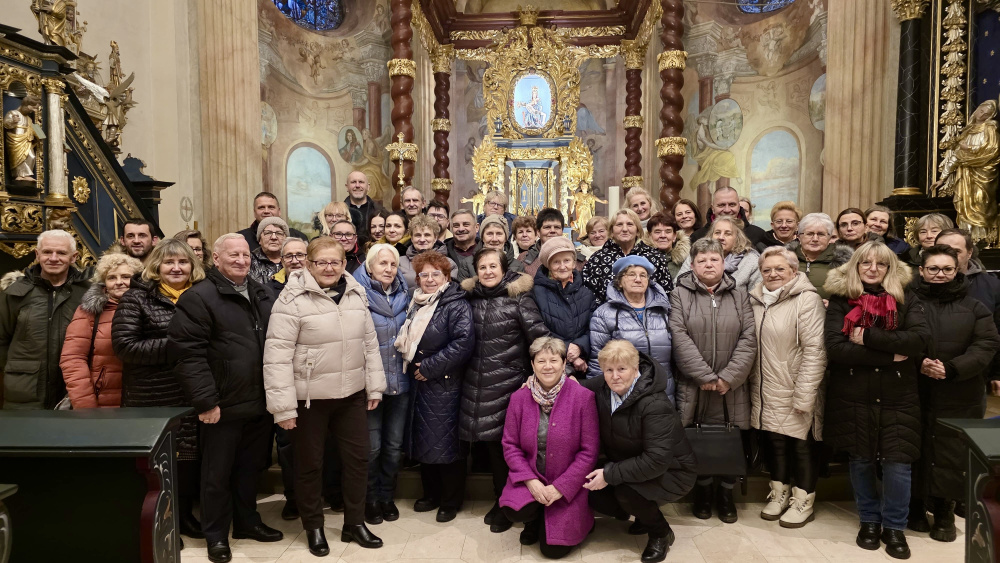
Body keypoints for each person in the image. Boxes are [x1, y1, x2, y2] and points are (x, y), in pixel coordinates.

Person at [264, 237, 387, 555]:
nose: (329, 268)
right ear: (309, 264)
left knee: (358, 460)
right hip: (310, 399)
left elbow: (369, 343)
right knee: (309, 465)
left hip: (351, 395)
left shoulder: (356, 293)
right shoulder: (291, 299)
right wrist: (283, 408)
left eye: (335, 262)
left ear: (345, 264)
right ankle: (314, 527)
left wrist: (374, 385)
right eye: (322, 262)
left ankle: (354, 523)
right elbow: (276, 356)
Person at [169, 234, 283, 563]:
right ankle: (216, 534)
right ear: (216, 259)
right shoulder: (198, 297)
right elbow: (187, 356)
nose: (241, 260)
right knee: (216, 476)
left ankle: (247, 523)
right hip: (222, 404)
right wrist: (206, 402)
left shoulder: (262, 293)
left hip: (259, 401)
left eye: (245, 255)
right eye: (233, 255)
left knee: (250, 470)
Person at [822, 241, 929, 560]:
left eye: (881, 264)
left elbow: (918, 340)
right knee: (862, 459)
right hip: (853, 393)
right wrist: (889, 355)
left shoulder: (907, 297)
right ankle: (869, 520)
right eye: (865, 262)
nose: (872, 268)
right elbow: (836, 348)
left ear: (890, 268)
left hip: (899, 394)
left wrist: (868, 336)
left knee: (898, 463)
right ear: (855, 266)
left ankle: (895, 527)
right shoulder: (841, 299)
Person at [114, 238, 207, 541]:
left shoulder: (202, 295)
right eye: (169, 262)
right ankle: (162, 522)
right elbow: (125, 346)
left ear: (193, 266)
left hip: (192, 392)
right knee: (158, 465)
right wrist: (178, 346)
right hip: (152, 394)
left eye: (183, 262)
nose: (176, 268)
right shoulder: (136, 298)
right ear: (157, 266)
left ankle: (183, 517)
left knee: (188, 461)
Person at [908, 245, 1000, 542]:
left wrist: (951, 368)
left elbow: (986, 344)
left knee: (951, 452)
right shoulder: (907, 302)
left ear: (957, 270)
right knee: (914, 446)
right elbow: (897, 338)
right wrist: (920, 362)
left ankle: (944, 511)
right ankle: (915, 506)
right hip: (915, 387)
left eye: (947, 269)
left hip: (959, 390)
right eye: (933, 268)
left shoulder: (975, 307)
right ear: (921, 271)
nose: (940, 274)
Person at [580, 340, 697, 563]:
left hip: (673, 471)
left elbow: (656, 460)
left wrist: (609, 475)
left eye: (622, 369)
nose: (615, 376)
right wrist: (534, 383)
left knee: (626, 493)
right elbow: (573, 386)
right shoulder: (604, 387)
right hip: (632, 463)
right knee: (588, 487)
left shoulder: (655, 404)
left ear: (635, 369)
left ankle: (661, 533)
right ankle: (642, 514)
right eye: (609, 370)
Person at [461, 247, 550, 533]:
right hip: (475, 382)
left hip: (510, 385)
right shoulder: (469, 298)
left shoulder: (519, 298)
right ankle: (502, 500)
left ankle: (507, 503)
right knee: (489, 447)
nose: (488, 271)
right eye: (482, 267)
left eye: (493, 266)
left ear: (503, 269)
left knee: (505, 449)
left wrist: (539, 375)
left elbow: (539, 338)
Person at [670, 238, 756, 524]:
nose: (708, 264)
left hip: (732, 385)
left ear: (724, 263)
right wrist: (704, 375)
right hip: (695, 383)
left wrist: (729, 377)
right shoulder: (679, 294)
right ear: (693, 265)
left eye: (714, 259)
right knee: (699, 437)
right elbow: (678, 336)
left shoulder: (740, 295)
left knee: (730, 437)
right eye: (702, 260)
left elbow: (749, 338)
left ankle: (727, 495)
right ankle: (703, 492)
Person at [499, 337, 599, 560]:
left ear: (564, 364)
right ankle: (534, 520)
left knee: (553, 551)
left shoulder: (583, 397)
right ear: (532, 365)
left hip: (568, 484)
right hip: (532, 477)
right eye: (541, 361)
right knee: (514, 510)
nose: (547, 366)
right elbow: (510, 445)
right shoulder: (518, 398)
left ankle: (584, 520)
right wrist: (530, 481)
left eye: (553, 360)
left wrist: (560, 487)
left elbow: (589, 452)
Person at [748, 247, 827, 528]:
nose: (773, 274)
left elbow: (815, 350)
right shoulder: (755, 300)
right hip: (764, 386)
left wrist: (805, 394)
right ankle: (779, 493)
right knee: (775, 442)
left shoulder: (807, 300)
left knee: (801, 445)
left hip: (795, 385)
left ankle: (803, 500)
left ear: (794, 271)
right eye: (767, 269)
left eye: (780, 269)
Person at [398, 251, 474, 522]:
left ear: (447, 277)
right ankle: (430, 494)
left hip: (445, 384)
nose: (429, 279)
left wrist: (429, 367)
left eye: (436, 274)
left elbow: (463, 343)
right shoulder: (415, 302)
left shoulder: (456, 304)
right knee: (424, 441)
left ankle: (450, 501)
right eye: (424, 275)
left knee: (447, 444)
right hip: (418, 384)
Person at [353, 244, 411, 526]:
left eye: (393, 264)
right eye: (382, 263)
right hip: (370, 386)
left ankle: (388, 497)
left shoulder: (406, 294)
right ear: (369, 266)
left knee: (393, 446)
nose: (388, 269)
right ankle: (371, 499)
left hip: (400, 382)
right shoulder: (356, 294)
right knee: (372, 448)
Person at [0, 229, 90, 410]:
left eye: (61, 253)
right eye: (47, 252)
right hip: (24, 393)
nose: (53, 258)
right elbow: (1, 340)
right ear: (37, 254)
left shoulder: (88, 294)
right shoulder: (15, 292)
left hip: (72, 392)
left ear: (74, 257)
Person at [60, 252, 142, 408]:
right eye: (111, 278)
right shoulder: (89, 311)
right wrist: (86, 406)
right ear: (104, 282)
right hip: (102, 403)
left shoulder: (150, 307)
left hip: (143, 401)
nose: (119, 282)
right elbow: (72, 359)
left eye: (126, 277)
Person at [589, 256, 675, 404]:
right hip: (624, 394)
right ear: (619, 282)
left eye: (643, 275)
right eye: (631, 275)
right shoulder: (604, 314)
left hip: (663, 390)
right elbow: (598, 361)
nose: (638, 279)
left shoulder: (664, 310)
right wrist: (600, 400)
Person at [531, 237, 596, 378]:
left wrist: (580, 346)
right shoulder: (535, 292)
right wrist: (567, 350)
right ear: (548, 265)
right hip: (549, 366)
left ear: (574, 263)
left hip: (583, 366)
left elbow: (593, 328)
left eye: (566, 260)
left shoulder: (586, 293)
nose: (562, 266)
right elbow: (536, 329)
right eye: (556, 262)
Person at [584, 209, 673, 305]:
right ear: (612, 231)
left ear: (638, 230)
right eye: (619, 225)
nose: (625, 229)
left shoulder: (655, 257)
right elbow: (589, 297)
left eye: (630, 224)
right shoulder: (597, 259)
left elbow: (666, 294)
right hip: (607, 313)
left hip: (648, 313)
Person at [678, 216, 762, 294]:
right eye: (717, 233)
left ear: (737, 238)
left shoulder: (750, 260)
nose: (721, 237)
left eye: (727, 233)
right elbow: (679, 285)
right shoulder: (696, 254)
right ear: (711, 236)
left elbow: (756, 296)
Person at [788, 213, 853, 301]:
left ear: (829, 237)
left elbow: (853, 294)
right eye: (809, 234)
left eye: (821, 234)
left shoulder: (845, 262)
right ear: (799, 236)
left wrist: (833, 304)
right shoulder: (785, 259)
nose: (815, 239)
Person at [689, 187, 770, 250]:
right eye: (721, 205)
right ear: (713, 208)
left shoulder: (758, 234)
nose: (727, 210)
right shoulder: (697, 237)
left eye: (732, 204)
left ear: (739, 206)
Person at [398, 215, 458, 292]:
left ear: (435, 238)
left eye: (427, 235)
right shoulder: (399, 263)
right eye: (418, 235)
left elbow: (451, 293)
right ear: (412, 238)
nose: (422, 239)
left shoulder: (449, 264)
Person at [514, 208, 580, 277]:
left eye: (557, 227)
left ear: (562, 231)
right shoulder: (524, 259)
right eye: (547, 227)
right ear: (538, 232)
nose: (552, 231)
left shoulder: (577, 260)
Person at [238, 192, 308, 252]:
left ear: (279, 211)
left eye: (271, 207)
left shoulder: (297, 237)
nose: (266, 211)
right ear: (254, 212)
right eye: (261, 207)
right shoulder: (241, 238)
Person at [344, 170, 384, 246]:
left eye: (361, 182)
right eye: (353, 182)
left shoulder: (379, 210)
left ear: (368, 187)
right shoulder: (340, 212)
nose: (357, 185)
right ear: (347, 187)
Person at [647, 212, 688, 279]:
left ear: (674, 236)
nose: (663, 236)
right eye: (657, 232)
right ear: (650, 236)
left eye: (668, 231)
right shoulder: (641, 259)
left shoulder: (686, 260)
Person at [249, 217, 288, 285]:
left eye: (279, 233)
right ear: (259, 239)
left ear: (286, 239)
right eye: (268, 233)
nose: (273, 237)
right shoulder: (248, 261)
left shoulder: (294, 260)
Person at [443, 210, 479, 276]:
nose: (461, 229)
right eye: (456, 226)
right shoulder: (442, 253)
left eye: (466, 225)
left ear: (476, 227)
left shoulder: (487, 251)